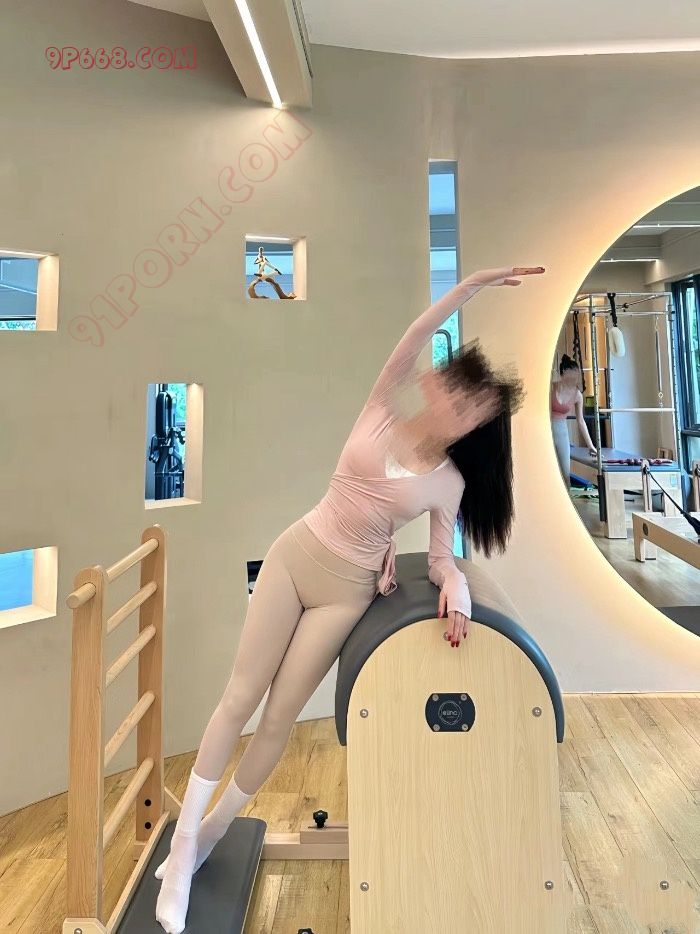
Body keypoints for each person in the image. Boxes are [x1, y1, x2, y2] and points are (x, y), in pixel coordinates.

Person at [155, 265, 543, 933]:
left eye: (473, 412)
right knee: (239, 697)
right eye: (459, 394)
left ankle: (215, 831)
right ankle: (184, 840)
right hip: (294, 556)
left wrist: (456, 587)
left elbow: (444, 560)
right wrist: (469, 288)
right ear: (441, 387)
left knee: (277, 721)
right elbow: (416, 334)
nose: (456, 408)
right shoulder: (382, 405)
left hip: (345, 595)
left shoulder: (448, 483)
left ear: (473, 428)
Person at [550, 353, 597, 485]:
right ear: (563, 373)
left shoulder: (577, 395)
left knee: (565, 474)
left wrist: (591, 446)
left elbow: (581, 421)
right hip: (547, 431)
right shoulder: (551, 388)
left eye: (576, 375)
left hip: (562, 434)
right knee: (547, 472)